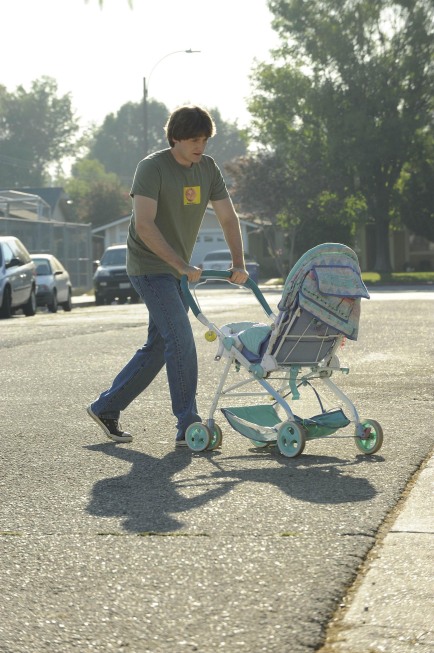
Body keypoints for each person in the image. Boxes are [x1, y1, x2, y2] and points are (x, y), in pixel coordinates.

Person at [87, 105, 249, 447]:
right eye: (193, 138)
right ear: (175, 137)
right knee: (180, 338)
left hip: (177, 271)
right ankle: (188, 424)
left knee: (159, 344)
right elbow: (144, 225)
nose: (200, 145)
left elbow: (228, 218)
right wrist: (182, 266)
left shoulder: (207, 168)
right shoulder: (152, 167)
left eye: (205, 139)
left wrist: (239, 263)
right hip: (149, 267)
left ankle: (106, 407)